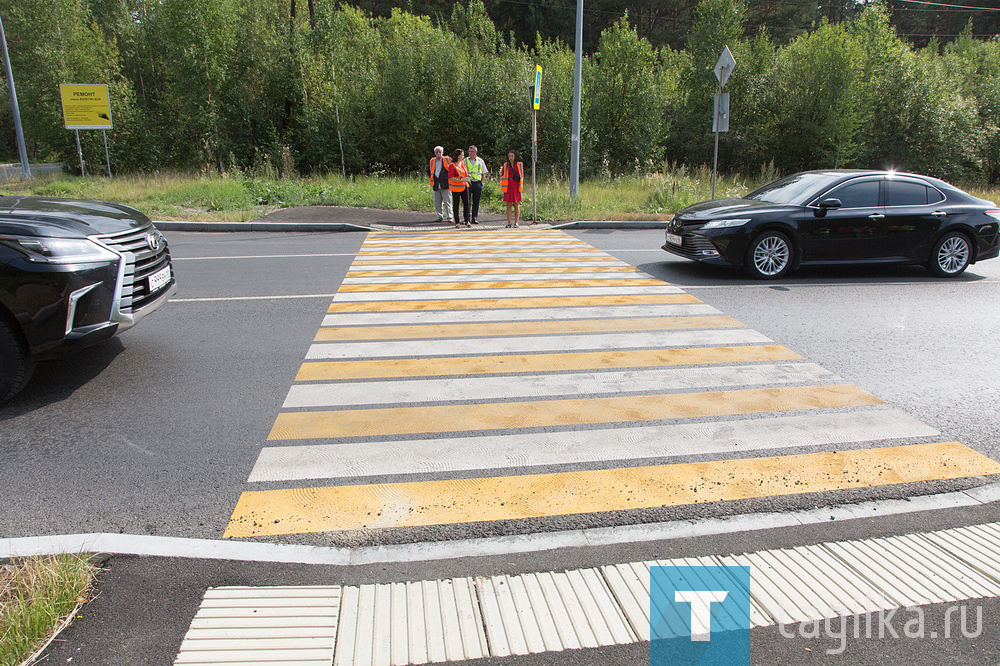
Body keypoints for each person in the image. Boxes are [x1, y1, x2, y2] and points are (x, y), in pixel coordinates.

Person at [428, 146, 452, 222]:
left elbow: (452, 169)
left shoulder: (447, 160)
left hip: (445, 184)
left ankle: (450, 217)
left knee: (447, 201)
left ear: (442, 152)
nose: (438, 153)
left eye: (439, 152)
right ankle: (439, 216)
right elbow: (428, 170)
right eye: (437, 152)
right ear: (434, 153)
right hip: (436, 184)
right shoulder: (432, 161)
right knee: (437, 202)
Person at [448, 148, 471, 227]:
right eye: (462, 155)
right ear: (458, 156)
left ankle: (467, 220)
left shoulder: (462, 163)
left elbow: (464, 173)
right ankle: (457, 222)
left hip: (464, 186)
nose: (463, 156)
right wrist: (461, 179)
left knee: (467, 203)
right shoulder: (452, 165)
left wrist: (467, 176)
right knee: (456, 204)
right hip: (456, 187)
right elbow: (450, 177)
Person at [465, 145, 488, 224]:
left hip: (477, 182)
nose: (470, 153)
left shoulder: (480, 161)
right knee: (467, 202)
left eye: (471, 151)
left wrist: (482, 183)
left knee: (476, 202)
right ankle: (466, 218)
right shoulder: (465, 160)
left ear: (475, 152)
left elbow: (484, 173)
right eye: (469, 151)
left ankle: (474, 218)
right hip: (468, 182)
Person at [501, 150, 523, 228]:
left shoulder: (519, 164)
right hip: (508, 186)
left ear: (515, 156)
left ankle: (516, 222)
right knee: (508, 204)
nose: (510, 158)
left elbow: (521, 175)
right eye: (509, 156)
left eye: (512, 156)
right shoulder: (505, 165)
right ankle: (509, 222)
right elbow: (503, 175)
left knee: (516, 204)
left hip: (516, 185)